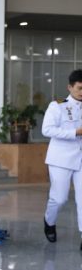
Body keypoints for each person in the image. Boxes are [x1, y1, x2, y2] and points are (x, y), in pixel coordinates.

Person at [42, 69, 82, 249]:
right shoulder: (57, 105)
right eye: (79, 88)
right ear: (70, 87)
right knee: (59, 199)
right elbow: (47, 130)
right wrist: (75, 132)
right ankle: (49, 221)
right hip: (61, 159)